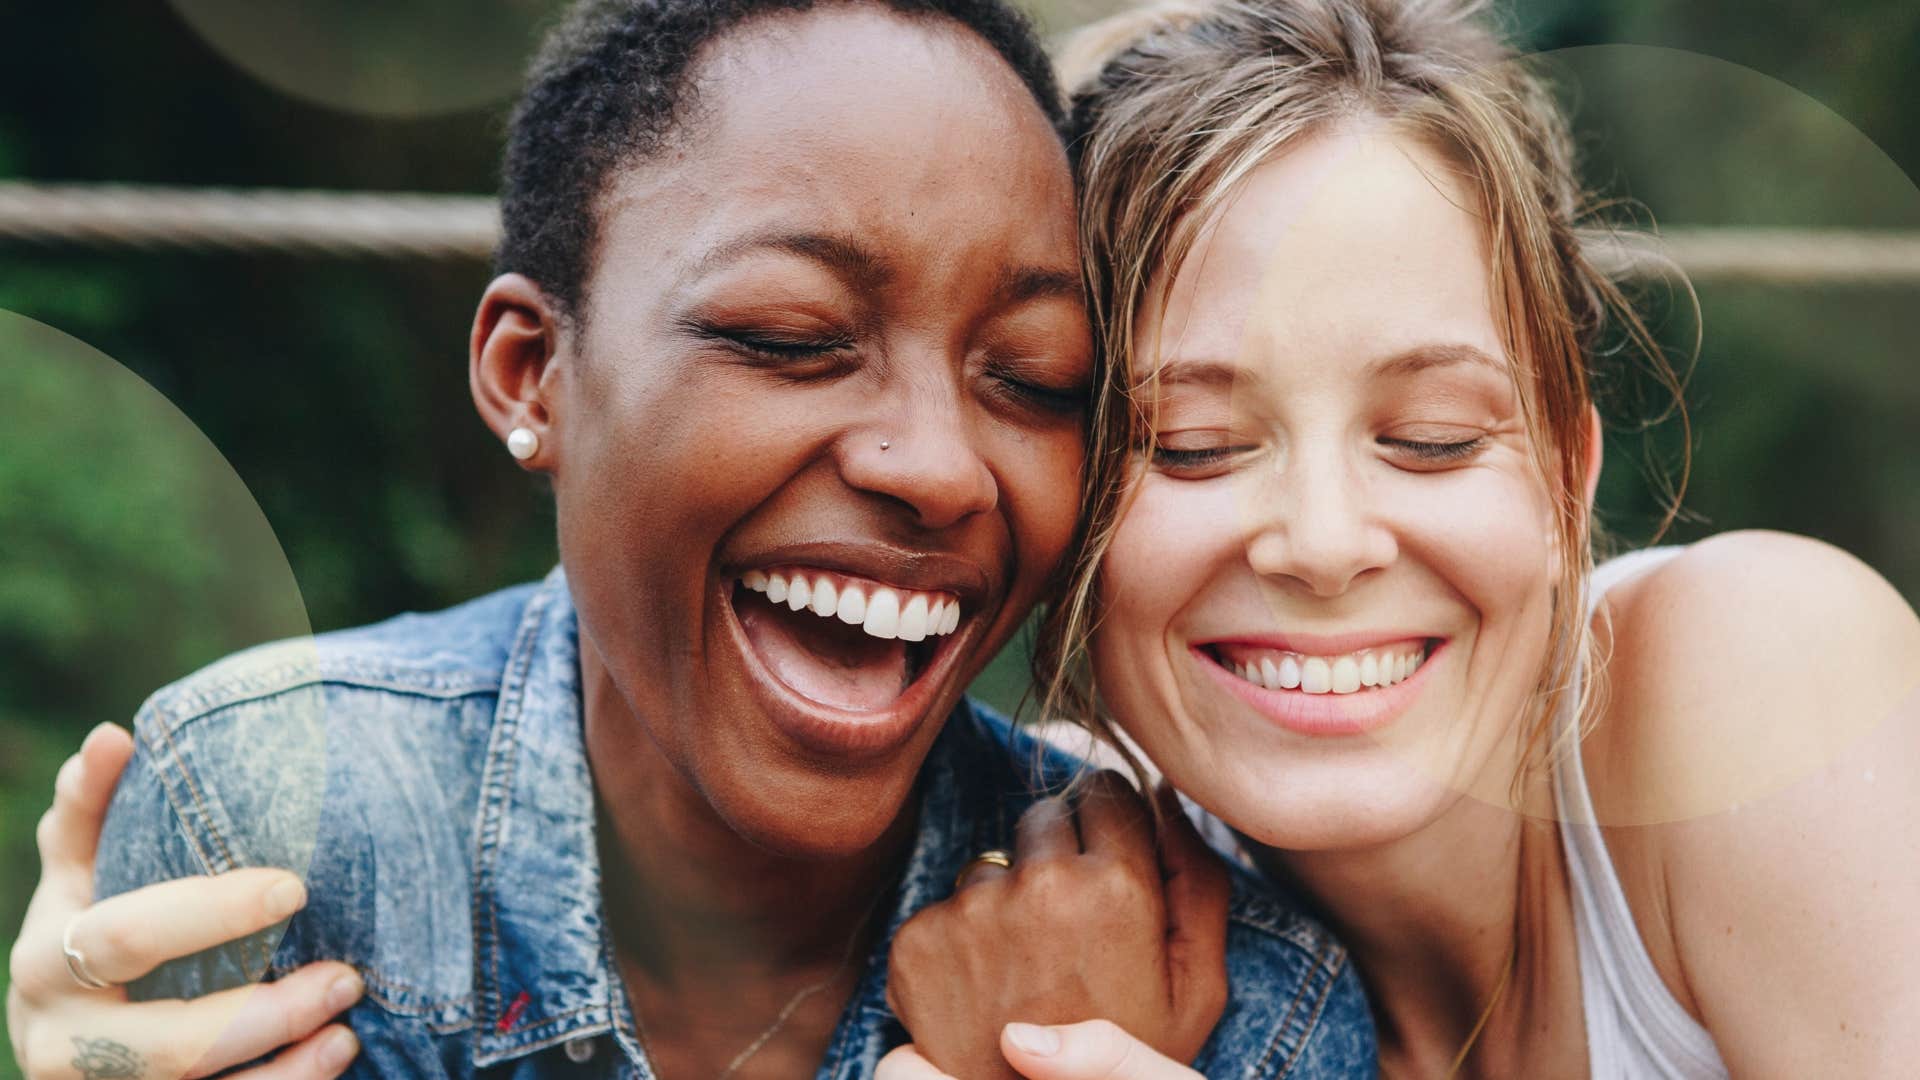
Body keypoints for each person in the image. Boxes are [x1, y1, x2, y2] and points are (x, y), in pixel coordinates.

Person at [6, 0, 1380, 1078]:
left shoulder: (1230, 1003)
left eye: (1032, 378)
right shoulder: (280, 828)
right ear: (531, 373)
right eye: (791, 339)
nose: (938, 466)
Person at [874, 0, 1920, 1076]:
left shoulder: (1763, 673)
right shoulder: (1078, 883)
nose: (1323, 545)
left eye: (1430, 440)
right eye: (1193, 447)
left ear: (1568, 481)